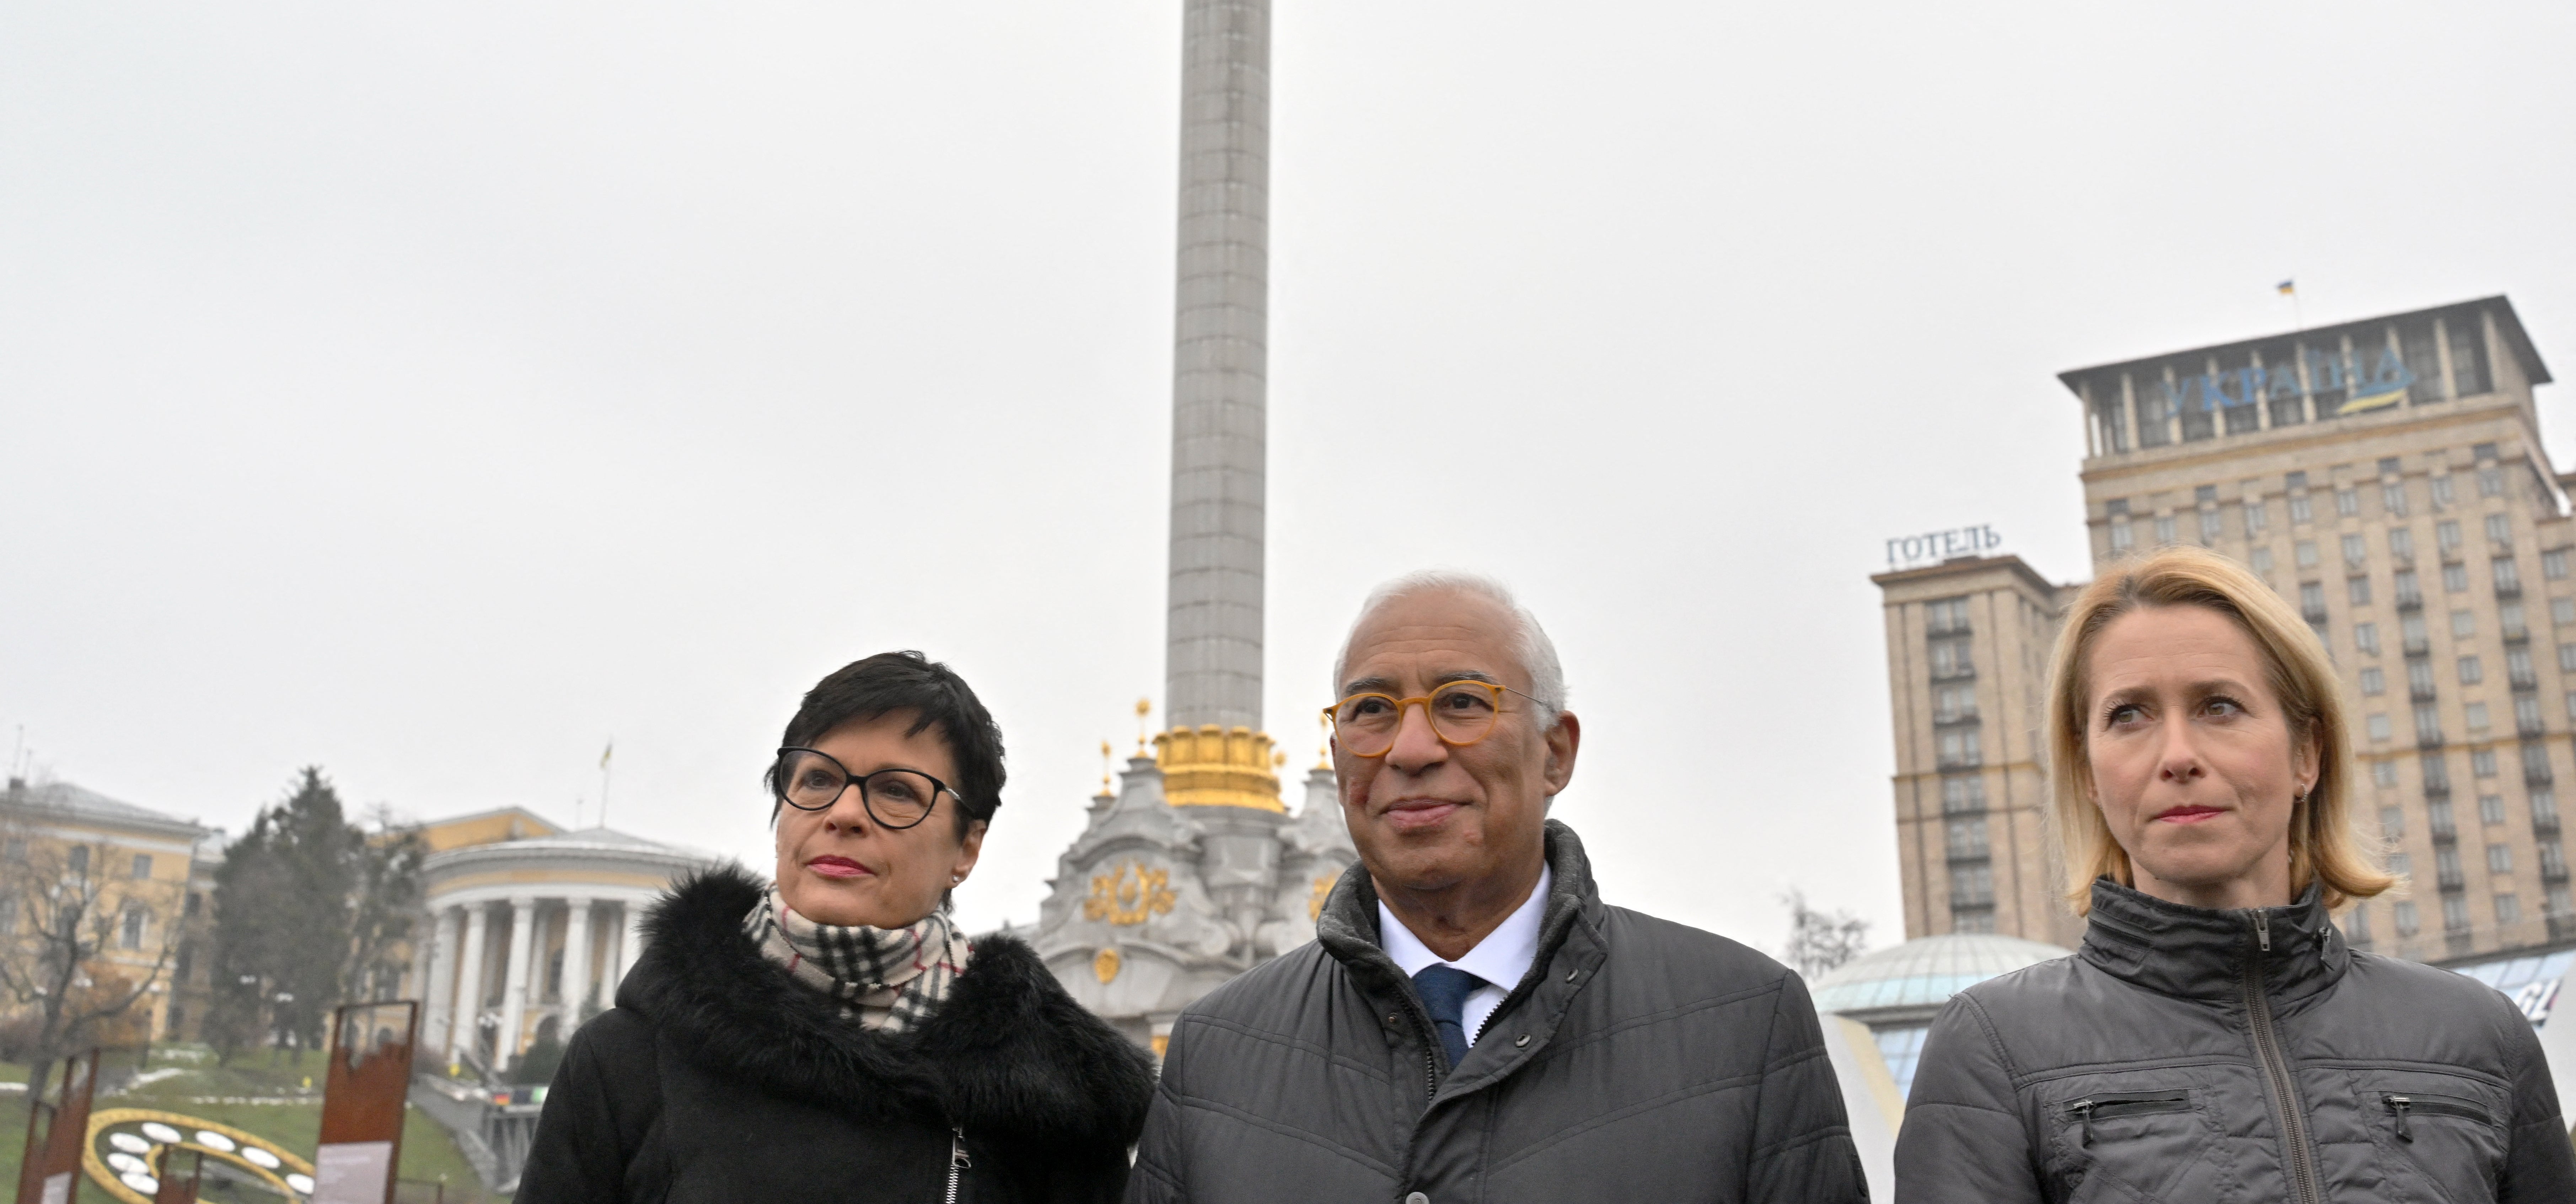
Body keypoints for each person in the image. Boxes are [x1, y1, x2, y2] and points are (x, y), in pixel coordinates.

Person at [1127, 571, 1869, 1204]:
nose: (1411, 749)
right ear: (1337, 756)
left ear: (1556, 752)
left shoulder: (1743, 1025)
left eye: (1461, 702)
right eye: (1371, 711)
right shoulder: (1217, 1052)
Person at [1896, 549, 2576, 1201]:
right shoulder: (1995, 1046)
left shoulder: (2478, 1035)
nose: (2179, 755)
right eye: (2128, 714)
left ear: (2308, 753)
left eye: (2219, 706)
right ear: (2088, 776)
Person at [519, 650, 1155, 1203]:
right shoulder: (628, 1059)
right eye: (818, 780)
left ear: (967, 849)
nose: (844, 813)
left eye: (898, 792)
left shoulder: (1055, 1097)